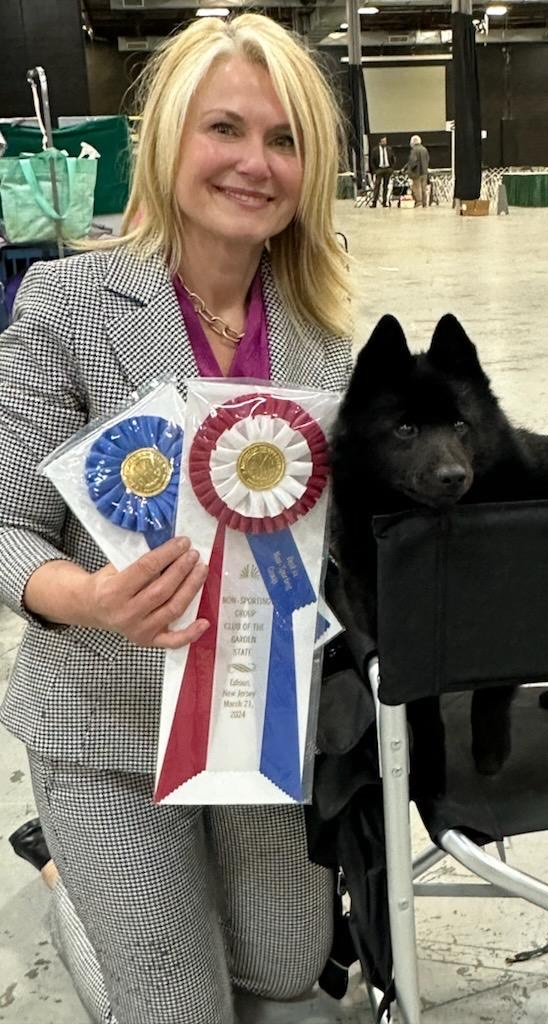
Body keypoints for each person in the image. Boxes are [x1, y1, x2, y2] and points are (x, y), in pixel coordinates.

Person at [1, 12, 352, 1024]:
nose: (255, 162)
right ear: (168, 141)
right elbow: (5, 524)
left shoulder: (325, 331)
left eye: (284, 140)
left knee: (287, 972)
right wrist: (90, 596)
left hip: (260, 716)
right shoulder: (67, 302)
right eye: (225, 129)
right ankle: (72, 880)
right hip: (106, 718)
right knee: (179, 1008)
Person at [369, 135, 395, 207]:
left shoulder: (389, 149)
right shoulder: (375, 150)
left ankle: (384, 202)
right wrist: (375, 170)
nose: (384, 142)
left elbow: (393, 159)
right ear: (380, 142)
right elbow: (372, 161)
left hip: (387, 169)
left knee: (385, 186)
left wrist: (391, 168)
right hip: (379, 169)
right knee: (377, 185)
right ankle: (374, 202)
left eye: (385, 141)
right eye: (383, 141)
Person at [405, 134, 430, 208]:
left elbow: (413, 161)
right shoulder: (424, 149)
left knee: (417, 188)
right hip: (424, 172)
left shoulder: (414, 150)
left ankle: (419, 203)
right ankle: (424, 203)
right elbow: (427, 159)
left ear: (413, 142)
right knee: (423, 188)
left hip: (416, 173)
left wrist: (409, 170)